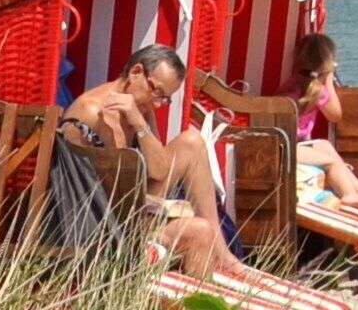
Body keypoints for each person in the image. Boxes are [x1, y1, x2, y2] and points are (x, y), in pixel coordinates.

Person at [54, 44, 240, 279]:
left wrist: (140, 124)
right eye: (157, 92)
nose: (158, 104)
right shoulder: (92, 112)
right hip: (98, 221)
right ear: (135, 73)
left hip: (127, 209)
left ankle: (223, 254)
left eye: (166, 99)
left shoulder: (139, 110)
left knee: (192, 142)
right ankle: (189, 300)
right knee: (199, 231)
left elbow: (159, 170)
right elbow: (81, 186)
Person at [287, 31, 358, 207]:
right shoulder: (317, 90)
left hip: (289, 143)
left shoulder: (292, 82)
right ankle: (349, 194)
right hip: (290, 148)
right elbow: (335, 115)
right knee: (331, 161)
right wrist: (329, 81)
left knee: (325, 145)